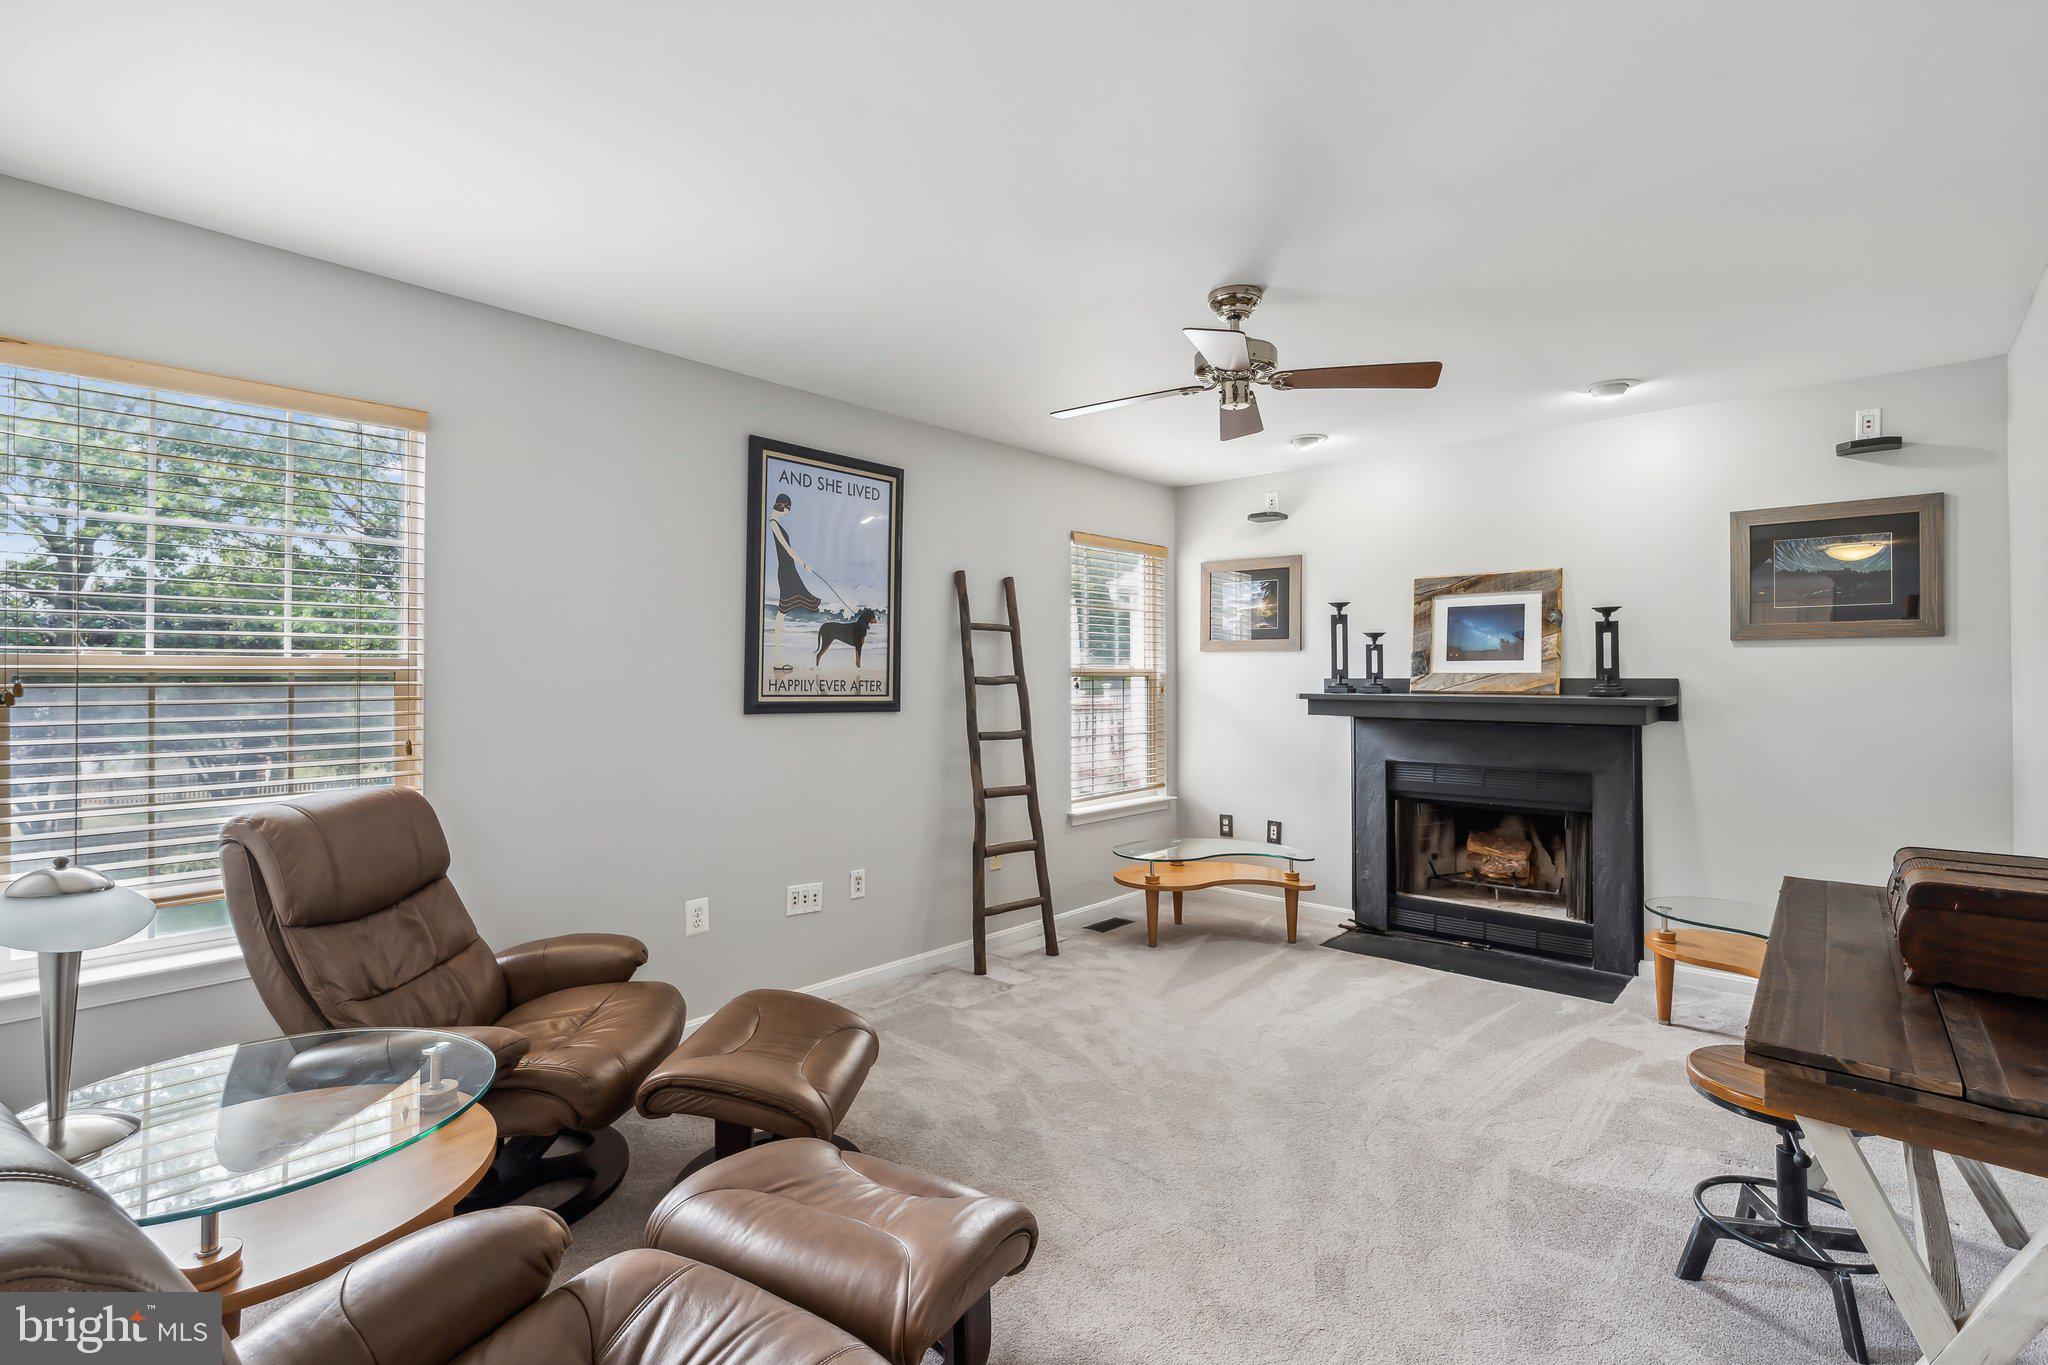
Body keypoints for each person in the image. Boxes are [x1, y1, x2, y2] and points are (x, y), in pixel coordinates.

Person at [768, 493, 821, 672]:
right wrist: (804, 563)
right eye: (787, 509)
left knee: (783, 614)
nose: (787, 513)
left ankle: (777, 661)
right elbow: (788, 550)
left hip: (789, 571)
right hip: (786, 572)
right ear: (782, 506)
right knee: (781, 615)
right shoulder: (774, 524)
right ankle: (777, 662)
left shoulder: (777, 524)